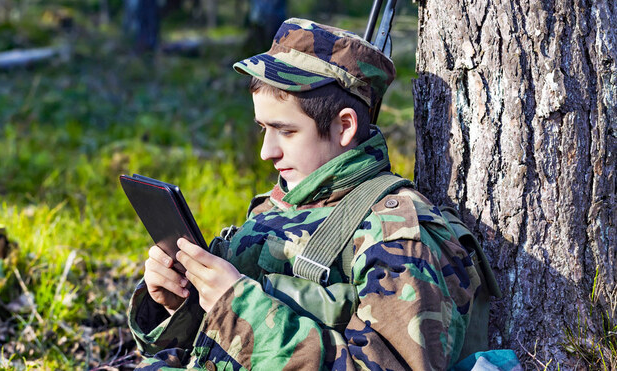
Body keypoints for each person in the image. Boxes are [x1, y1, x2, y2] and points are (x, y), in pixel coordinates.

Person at [127, 18, 480, 370]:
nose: (267, 151)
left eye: (285, 131)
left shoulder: (397, 232)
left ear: (344, 126)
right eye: (264, 128)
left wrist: (239, 307)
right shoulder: (278, 204)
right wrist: (178, 303)